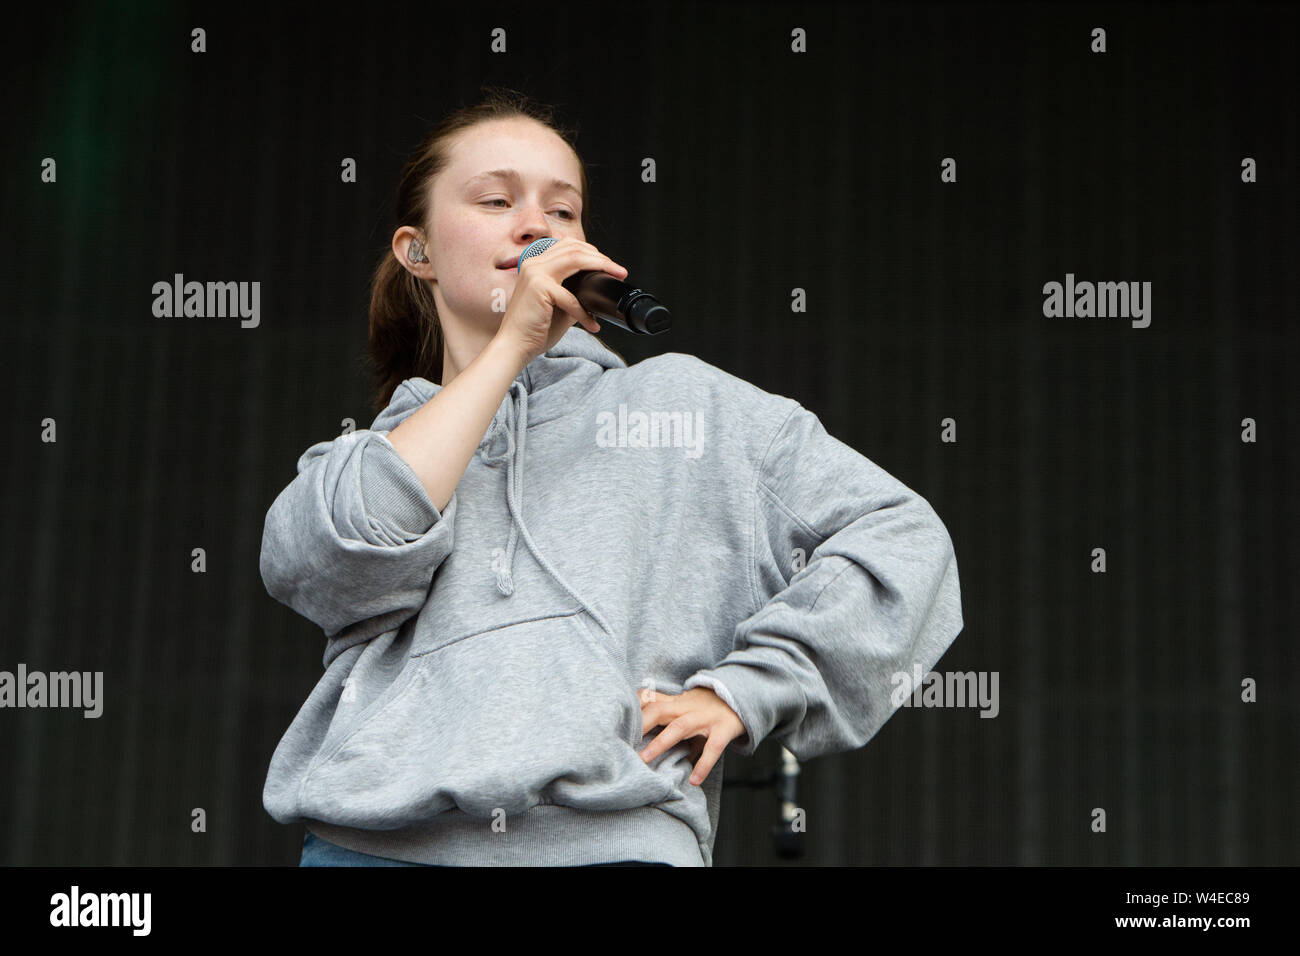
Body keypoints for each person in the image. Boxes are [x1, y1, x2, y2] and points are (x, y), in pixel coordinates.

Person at [260, 87, 964, 867]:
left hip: (615, 847)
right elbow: (331, 563)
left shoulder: (684, 405)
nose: (535, 225)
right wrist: (507, 354)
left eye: (563, 212)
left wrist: (751, 687)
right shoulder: (364, 457)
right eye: (496, 199)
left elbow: (901, 537)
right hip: (374, 851)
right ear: (415, 249)